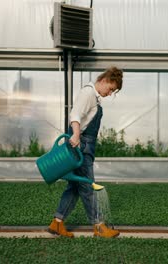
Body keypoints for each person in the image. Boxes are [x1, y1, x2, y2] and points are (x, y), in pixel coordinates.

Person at [48, 66, 123, 238]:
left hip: (85, 147)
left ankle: (57, 223)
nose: (110, 93)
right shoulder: (88, 93)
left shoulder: (95, 99)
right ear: (104, 81)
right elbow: (75, 114)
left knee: (74, 186)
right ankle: (98, 226)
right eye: (111, 89)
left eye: (113, 91)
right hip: (80, 147)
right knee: (88, 185)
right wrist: (75, 134)